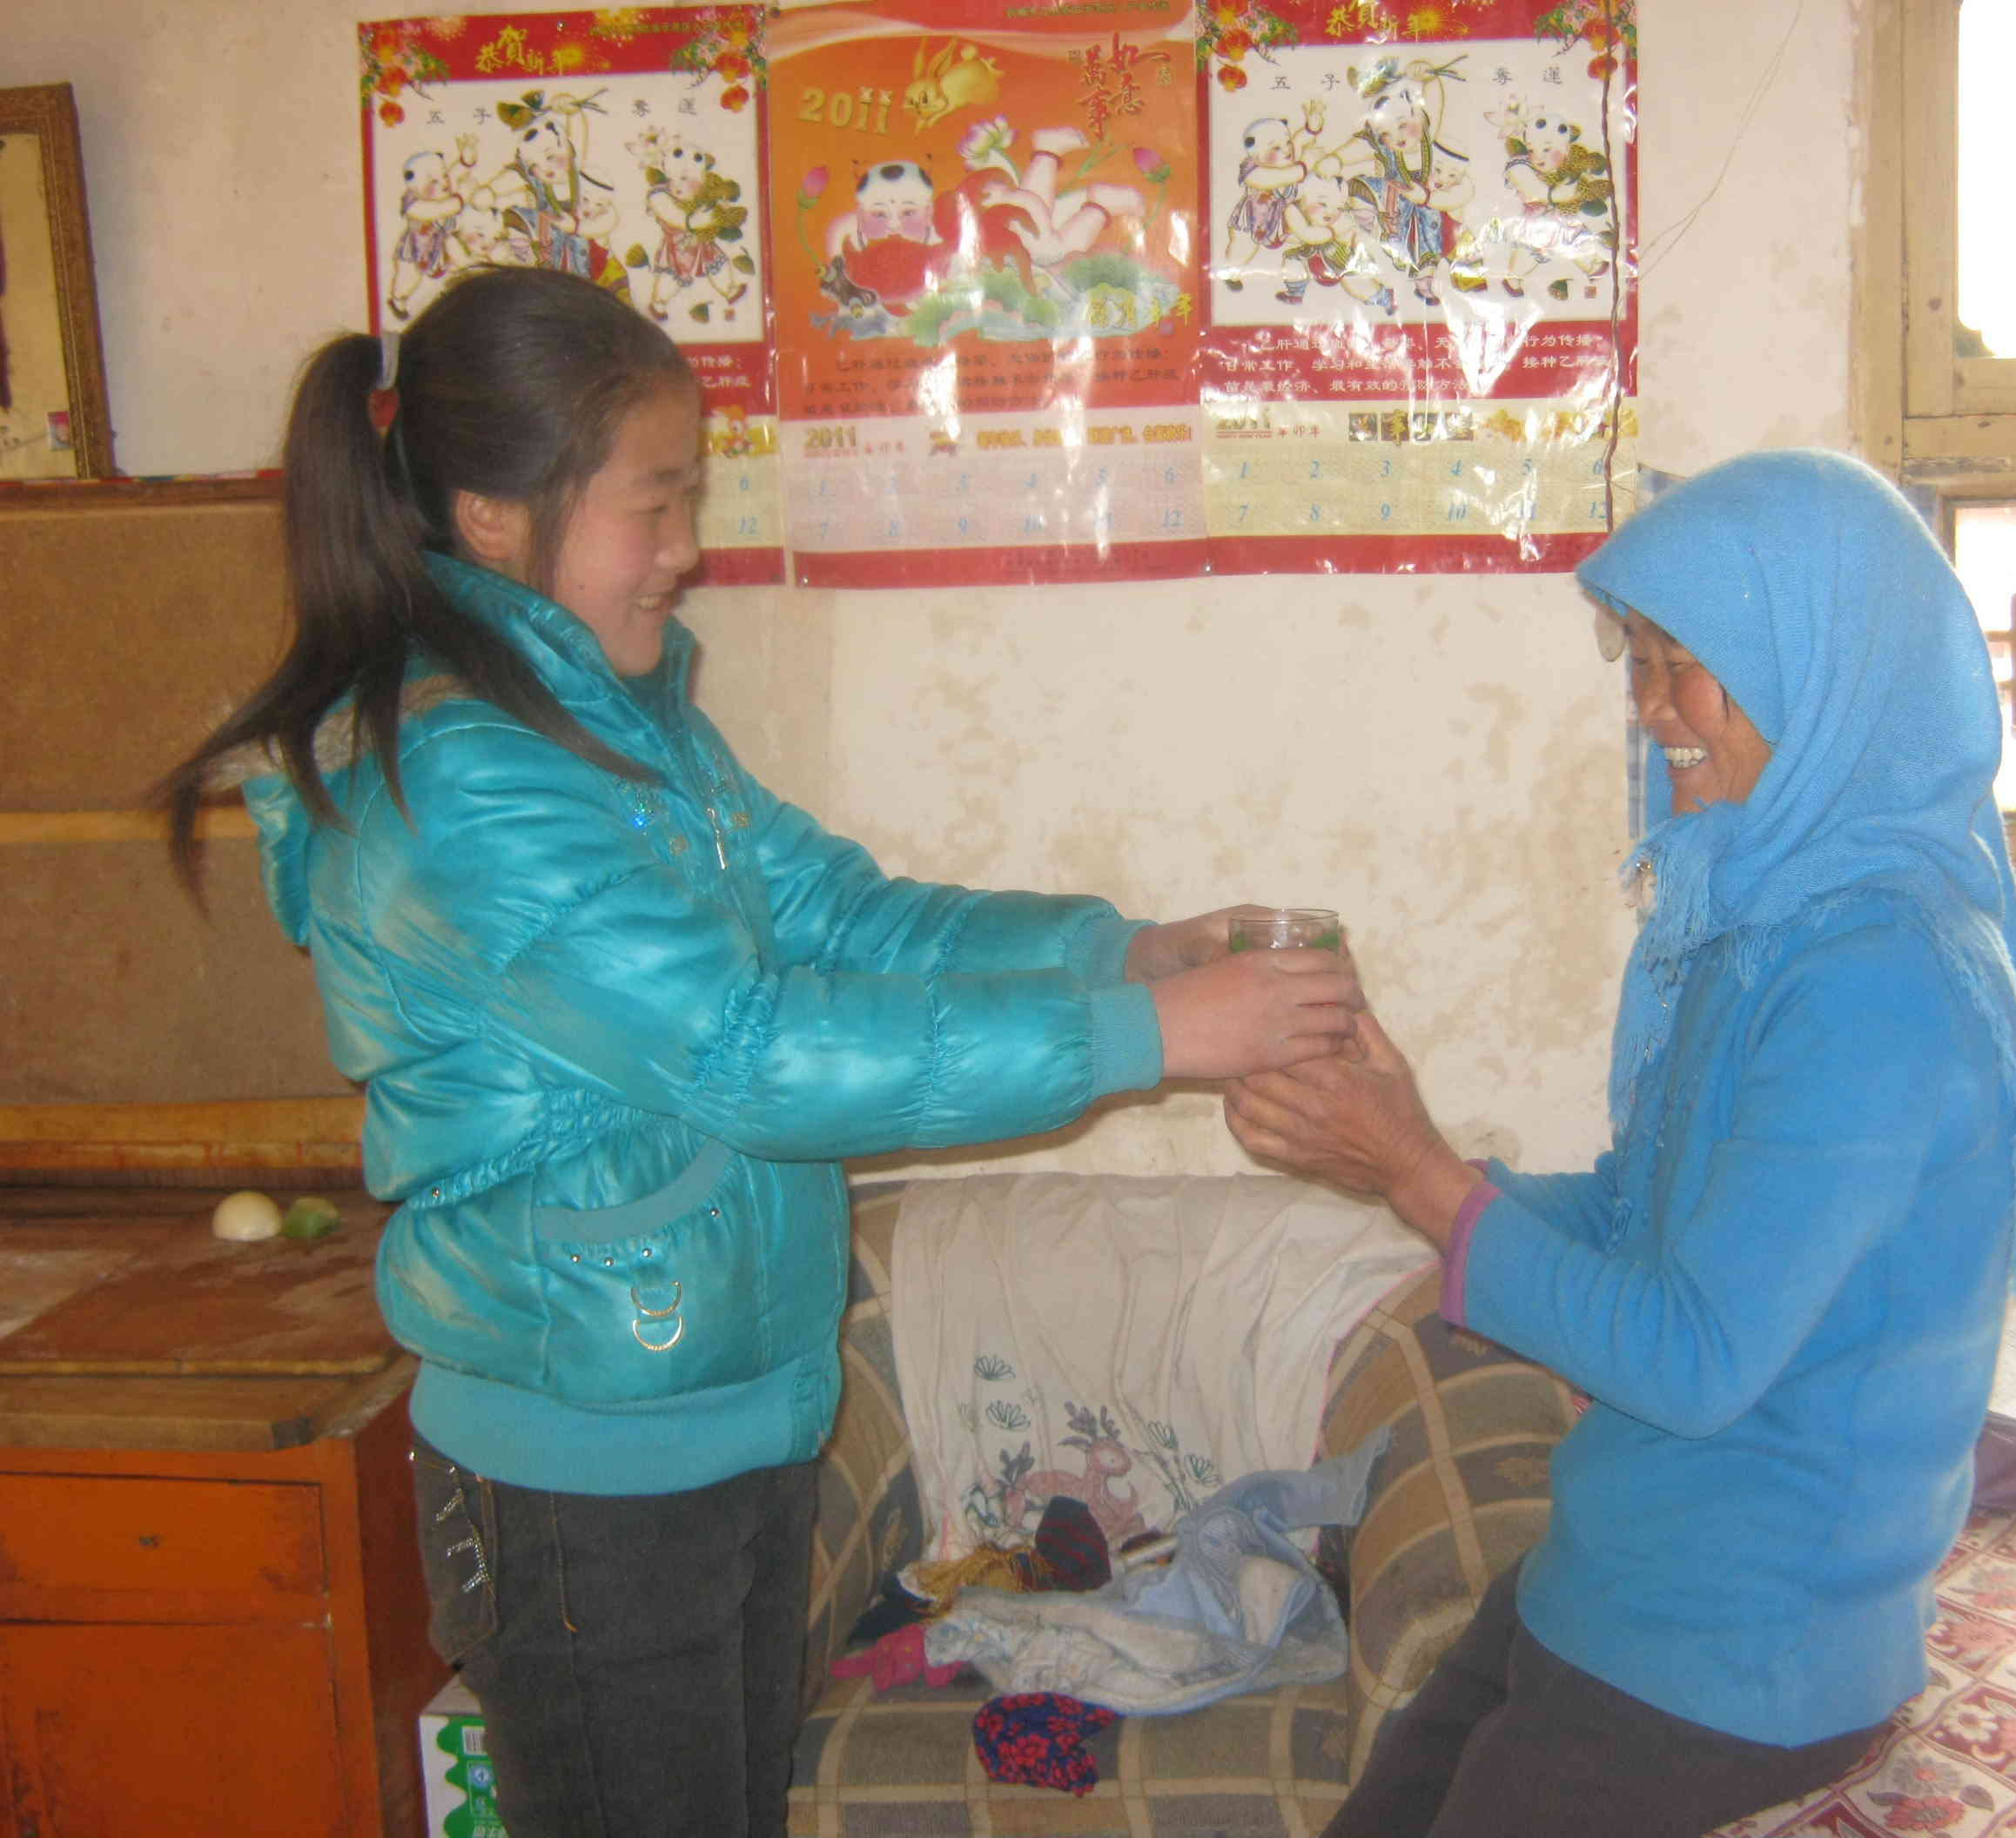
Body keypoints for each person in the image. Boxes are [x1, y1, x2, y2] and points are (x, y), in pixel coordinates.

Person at [158, 265, 1361, 1838]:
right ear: (494, 514)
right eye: (654, 502)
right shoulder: (466, 784)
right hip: (586, 1467)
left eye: (692, 498)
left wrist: (1113, 953)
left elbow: (834, 915)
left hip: (723, 1410)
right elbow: (754, 1053)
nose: (688, 548)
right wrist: (1149, 1035)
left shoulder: (617, 722)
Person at [1224, 449, 2016, 1838]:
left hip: (1743, 1655)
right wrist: (1392, 1151)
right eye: (1640, 662)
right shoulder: (1764, 909)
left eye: (1687, 667)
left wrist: (1418, 1176)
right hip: (1626, 1584)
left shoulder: (1881, 978)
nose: (1650, 707)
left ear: (1823, 670)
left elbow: (1691, 1355)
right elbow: (1640, 1209)